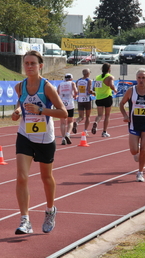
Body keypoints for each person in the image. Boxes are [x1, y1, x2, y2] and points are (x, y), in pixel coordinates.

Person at [11, 50, 67, 235]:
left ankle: (50, 210)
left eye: (32, 63)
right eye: (26, 63)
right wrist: (18, 111)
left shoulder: (47, 87)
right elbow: (20, 103)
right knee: (22, 177)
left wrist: (41, 110)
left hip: (44, 138)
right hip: (25, 135)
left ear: (40, 66)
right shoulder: (19, 86)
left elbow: (63, 112)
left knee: (46, 178)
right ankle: (25, 220)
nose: (29, 67)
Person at [91, 63, 118, 137]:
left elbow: (93, 88)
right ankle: (104, 131)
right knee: (107, 116)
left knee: (99, 115)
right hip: (107, 97)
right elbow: (111, 85)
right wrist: (115, 90)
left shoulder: (98, 77)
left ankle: (96, 122)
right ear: (109, 69)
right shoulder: (110, 77)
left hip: (99, 98)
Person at [57, 73, 77, 145]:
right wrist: (75, 95)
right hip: (70, 103)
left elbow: (57, 92)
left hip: (62, 103)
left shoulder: (60, 84)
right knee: (70, 121)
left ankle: (63, 138)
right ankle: (67, 134)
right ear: (71, 78)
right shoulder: (72, 83)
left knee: (62, 122)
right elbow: (76, 91)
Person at [72, 68, 93, 135]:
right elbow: (89, 90)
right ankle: (85, 130)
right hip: (87, 99)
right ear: (87, 74)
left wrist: (76, 95)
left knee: (81, 117)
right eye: (89, 72)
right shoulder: (89, 80)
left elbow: (74, 89)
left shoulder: (78, 81)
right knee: (87, 116)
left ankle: (77, 122)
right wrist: (94, 93)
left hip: (80, 100)